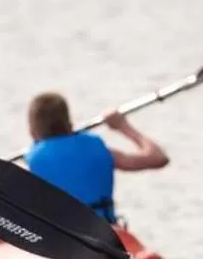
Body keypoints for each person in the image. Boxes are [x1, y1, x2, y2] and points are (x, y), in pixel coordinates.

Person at [24, 92, 168, 223]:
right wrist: (123, 126)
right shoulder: (99, 151)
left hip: (63, 241)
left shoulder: (31, 165)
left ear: (32, 131)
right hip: (105, 233)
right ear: (69, 123)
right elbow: (158, 157)